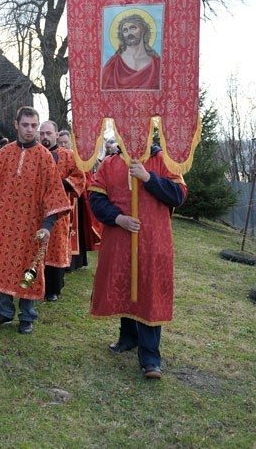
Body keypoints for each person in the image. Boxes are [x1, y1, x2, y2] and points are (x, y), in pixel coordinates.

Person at [88, 143, 186, 380]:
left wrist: (148, 178)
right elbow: (96, 197)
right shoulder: (110, 163)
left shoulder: (163, 160)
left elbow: (179, 194)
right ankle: (128, 338)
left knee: (148, 292)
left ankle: (150, 356)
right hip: (120, 240)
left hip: (154, 241)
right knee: (125, 288)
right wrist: (118, 218)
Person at [0, 107, 70, 334]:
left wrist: (47, 226)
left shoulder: (45, 158)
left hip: (32, 227)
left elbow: (54, 195)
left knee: (30, 268)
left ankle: (27, 315)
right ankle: (3, 311)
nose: (30, 130)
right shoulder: (2, 155)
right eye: (26, 125)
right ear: (16, 124)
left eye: (34, 126)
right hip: (3, 225)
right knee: (1, 266)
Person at [39, 122, 83, 300]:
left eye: (48, 133)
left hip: (59, 212)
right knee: (36, 246)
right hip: (36, 211)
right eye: (42, 134)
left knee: (55, 246)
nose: (45, 137)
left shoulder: (68, 156)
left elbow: (80, 178)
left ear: (56, 134)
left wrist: (61, 184)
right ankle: (34, 284)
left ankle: (53, 289)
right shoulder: (35, 154)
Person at [57, 130, 102, 270]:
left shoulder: (78, 158)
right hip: (60, 198)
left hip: (76, 200)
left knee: (75, 230)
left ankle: (75, 261)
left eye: (65, 142)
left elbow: (85, 178)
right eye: (61, 142)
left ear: (70, 142)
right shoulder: (55, 156)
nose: (63, 144)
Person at [101, 13, 161, 90]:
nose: (129, 33)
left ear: (143, 30)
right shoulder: (113, 63)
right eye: (125, 30)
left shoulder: (157, 64)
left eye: (133, 28)